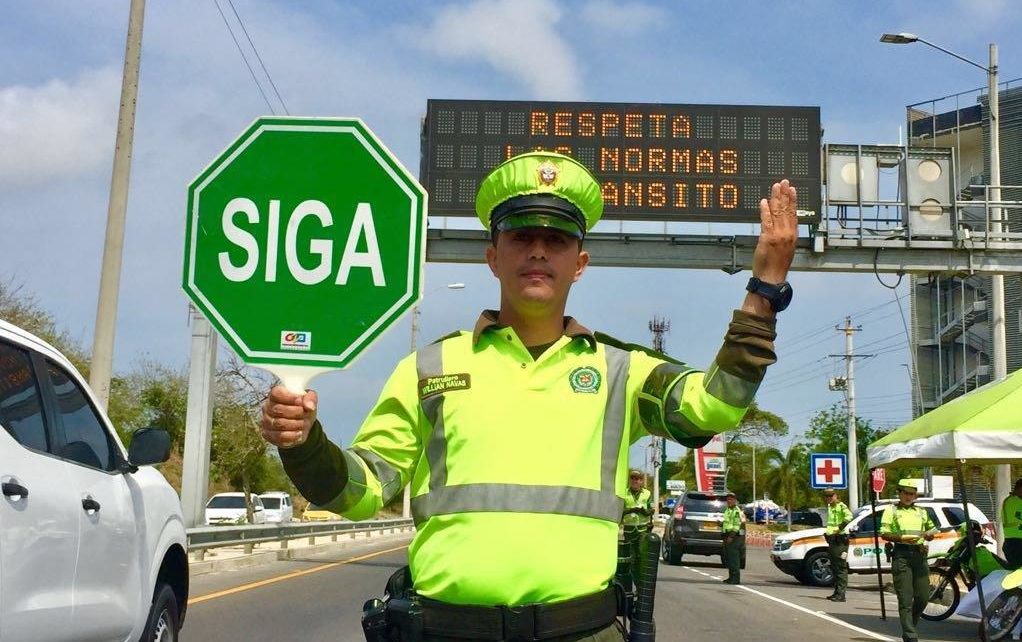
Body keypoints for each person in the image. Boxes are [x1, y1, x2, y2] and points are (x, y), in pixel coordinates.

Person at [260, 150, 798, 641]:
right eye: (520, 236)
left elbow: (714, 404)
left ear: (580, 263)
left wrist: (764, 290)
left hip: (583, 632)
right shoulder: (427, 370)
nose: (538, 250)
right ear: (493, 257)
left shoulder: (622, 372)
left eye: (557, 239)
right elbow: (362, 492)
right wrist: (304, 443)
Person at [880, 480, 937, 642]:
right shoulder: (891, 510)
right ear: (899, 493)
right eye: (905, 493)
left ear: (915, 496)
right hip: (901, 555)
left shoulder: (921, 511)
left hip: (919, 556)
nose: (908, 496)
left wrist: (929, 535)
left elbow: (931, 530)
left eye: (911, 493)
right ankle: (910, 635)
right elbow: (884, 533)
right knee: (905, 598)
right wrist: (901, 538)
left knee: (923, 597)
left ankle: (910, 624)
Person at [621, 469, 653, 587]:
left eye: (637, 479)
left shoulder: (647, 494)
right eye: (632, 478)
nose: (635, 481)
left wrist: (645, 512)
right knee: (631, 558)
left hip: (642, 530)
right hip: (629, 531)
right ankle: (632, 583)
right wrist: (631, 510)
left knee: (641, 556)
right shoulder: (624, 493)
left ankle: (641, 585)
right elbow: (619, 511)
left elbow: (651, 510)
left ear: (641, 481)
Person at [823, 489, 853, 602]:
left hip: (840, 540)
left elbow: (849, 517)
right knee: (835, 567)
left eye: (831, 496)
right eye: (827, 496)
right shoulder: (830, 507)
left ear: (836, 496)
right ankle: (836, 592)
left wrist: (839, 528)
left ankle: (841, 594)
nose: (829, 498)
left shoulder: (841, 506)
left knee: (841, 568)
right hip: (833, 540)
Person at [721, 491, 746, 585]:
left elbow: (737, 525)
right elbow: (727, 522)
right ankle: (731, 577)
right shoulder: (728, 510)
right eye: (728, 499)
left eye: (731, 499)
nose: (729, 501)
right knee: (729, 558)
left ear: (735, 500)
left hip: (735, 537)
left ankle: (735, 579)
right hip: (728, 535)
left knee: (734, 559)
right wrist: (721, 524)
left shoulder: (737, 511)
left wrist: (731, 536)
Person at [1002, 478, 1022, 568]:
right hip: (1017, 544)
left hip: (1011, 543)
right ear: (1020, 489)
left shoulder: (1008, 500)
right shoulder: (1015, 502)